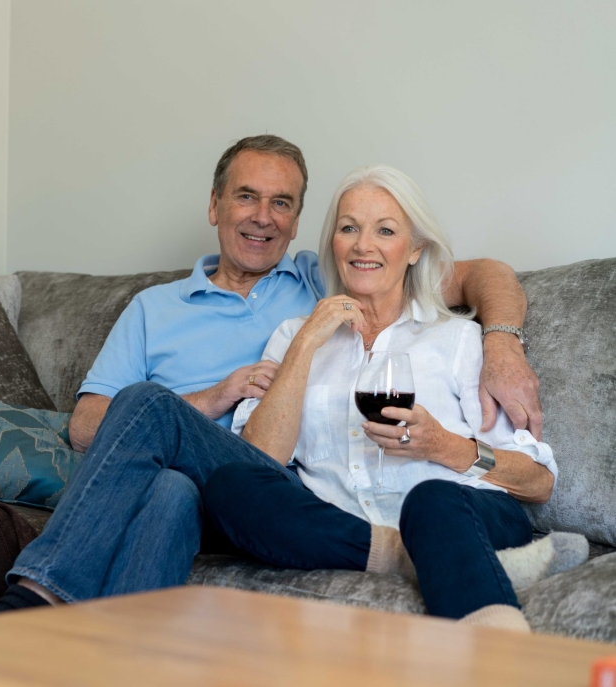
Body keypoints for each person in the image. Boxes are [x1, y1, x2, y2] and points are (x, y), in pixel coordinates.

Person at [0, 136, 543, 612]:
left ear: (299, 222)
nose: (263, 216)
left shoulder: (321, 279)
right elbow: (88, 427)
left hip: (257, 482)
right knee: (164, 470)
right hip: (208, 467)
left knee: (171, 456)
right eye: (246, 196)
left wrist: (502, 343)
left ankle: (34, 599)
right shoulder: (154, 307)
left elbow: (481, 274)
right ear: (214, 205)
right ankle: (107, 648)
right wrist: (218, 395)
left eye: (281, 202)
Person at [201, 164, 562, 630]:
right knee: (231, 486)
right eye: (348, 228)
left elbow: (538, 482)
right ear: (333, 241)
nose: (362, 245)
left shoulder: (455, 339)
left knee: (431, 501)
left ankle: (498, 655)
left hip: (456, 509)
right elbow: (261, 460)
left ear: (414, 249)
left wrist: (443, 446)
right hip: (338, 520)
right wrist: (307, 341)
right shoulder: (294, 335)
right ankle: (409, 556)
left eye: (385, 231)